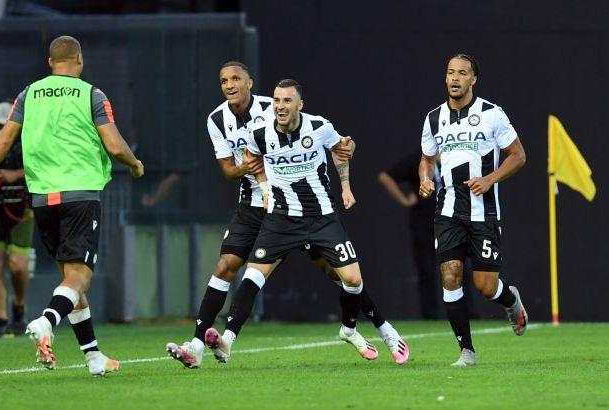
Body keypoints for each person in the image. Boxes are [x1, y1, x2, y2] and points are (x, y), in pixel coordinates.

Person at [166, 63, 407, 368]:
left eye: (235, 79)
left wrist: (345, 174)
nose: (229, 85)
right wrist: (259, 178)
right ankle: (201, 345)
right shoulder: (218, 119)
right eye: (223, 81)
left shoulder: (276, 110)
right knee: (229, 265)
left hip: (309, 211)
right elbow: (230, 169)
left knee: (341, 275)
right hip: (264, 207)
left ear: (250, 83)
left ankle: (373, 329)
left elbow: (338, 145)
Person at [0, 35, 144, 376]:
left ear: (49, 63)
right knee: (80, 279)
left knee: (70, 281)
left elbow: (3, 139)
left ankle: (94, 357)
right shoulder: (92, 93)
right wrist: (134, 164)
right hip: (80, 195)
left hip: (43, 200)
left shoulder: (28, 94)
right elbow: (115, 145)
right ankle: (46, 322)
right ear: (80, 60)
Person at [418, 54, 528, 367]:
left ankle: (509, 299)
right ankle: (467, 351)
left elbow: (518, 155)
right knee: (451, 274)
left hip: (484, 213)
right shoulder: (432, 118)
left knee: (485, 286)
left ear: (473, 79)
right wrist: (425, 179)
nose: (455, 78)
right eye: (450, 72)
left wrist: (490, 179)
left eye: (462, 73)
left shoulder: (492, 113)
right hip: (448, 210)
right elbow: (427, 159)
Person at [0, 101, 34, 337]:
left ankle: (19, 307)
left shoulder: (32, 142)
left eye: (5, 124)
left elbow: (44, 167)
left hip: (23, 208)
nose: (2, 128)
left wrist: (15, 175)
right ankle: (2, 319)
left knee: (18, 265)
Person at [378, 152, 439, 319]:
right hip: (423, 222)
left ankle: (469, 313)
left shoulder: (455, 156)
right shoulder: (417, 160)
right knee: (426, 268)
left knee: (460, 267)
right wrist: (404, 199)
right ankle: (430, 315)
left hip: (451, 220)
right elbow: (385, 176)